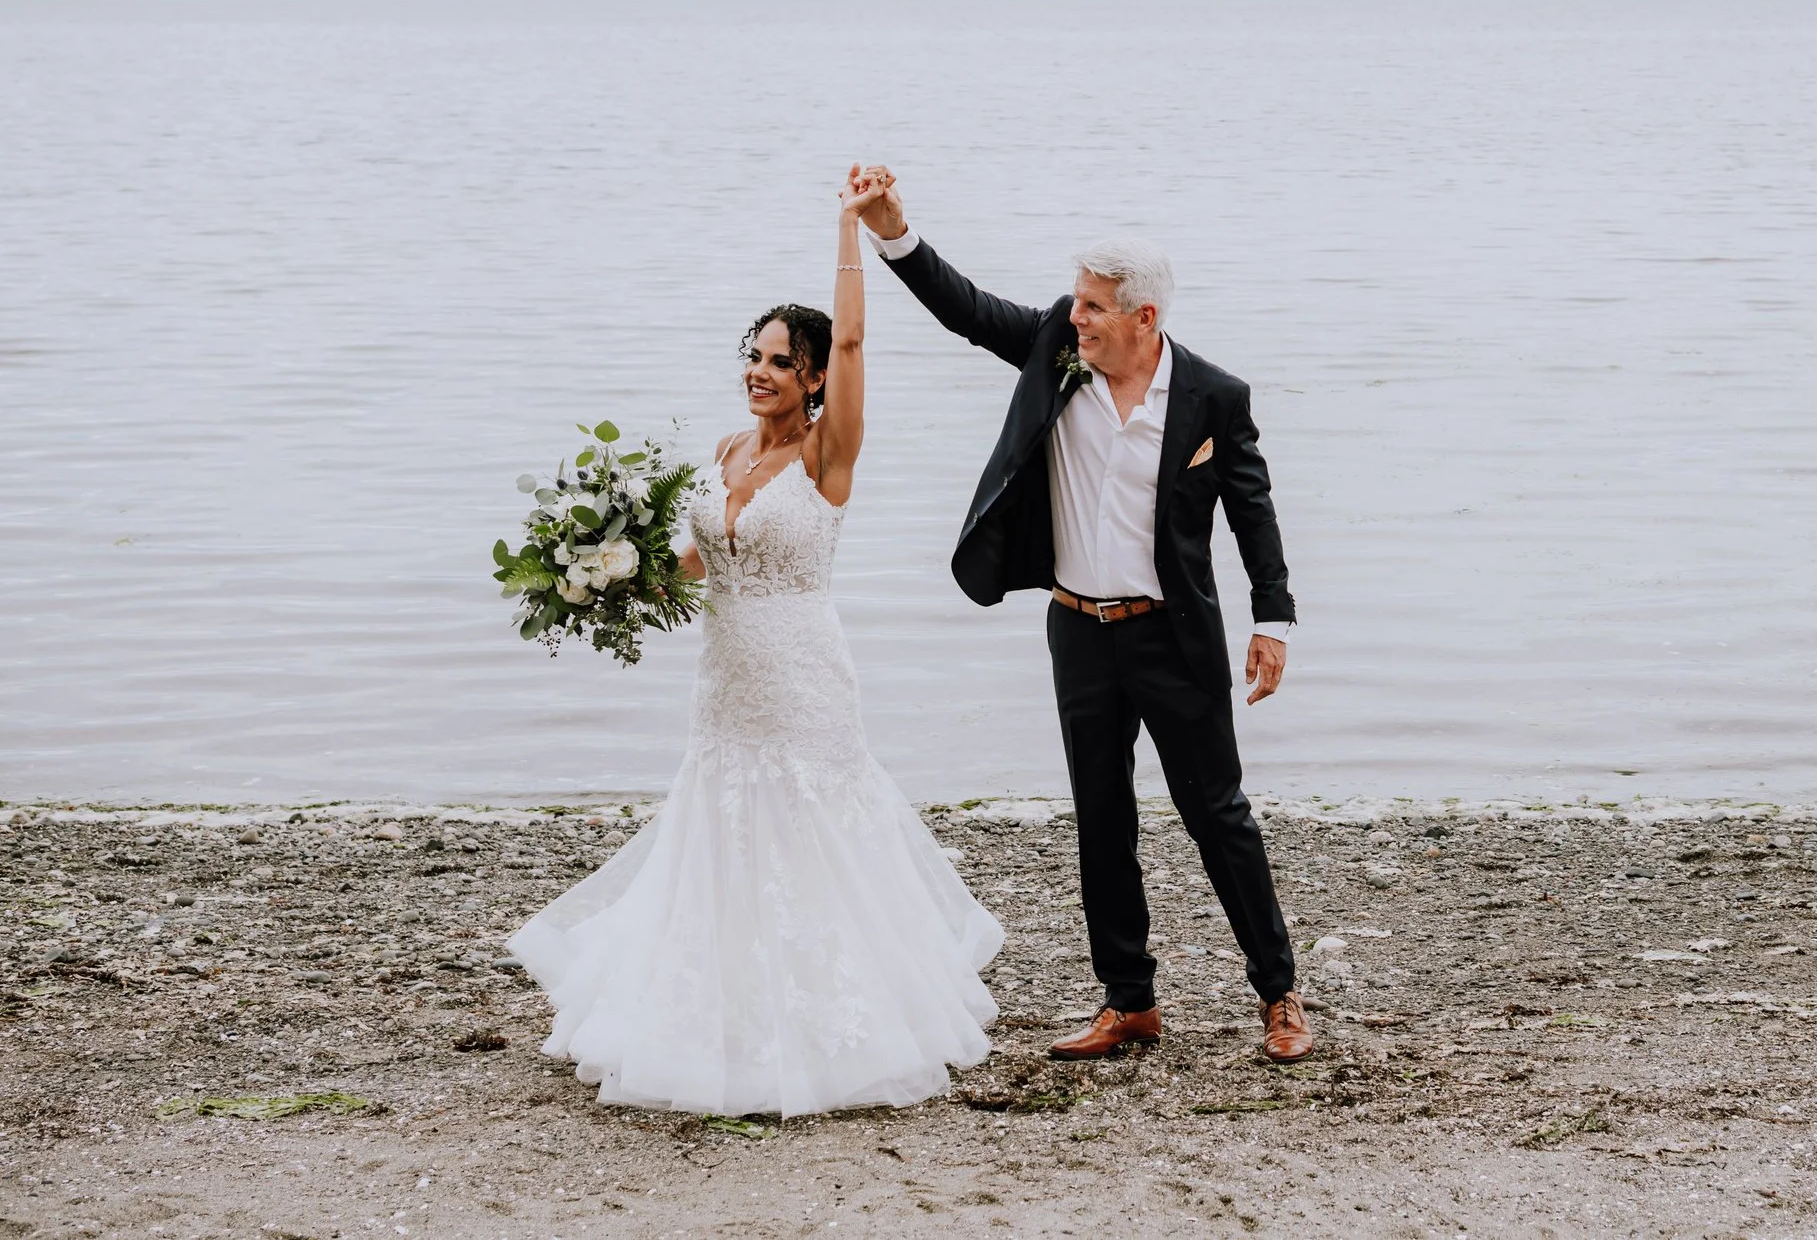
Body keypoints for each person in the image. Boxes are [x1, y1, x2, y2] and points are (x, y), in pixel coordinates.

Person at [508, 167, 1002, 1117]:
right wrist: (611, 577)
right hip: (725, 678)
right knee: (720, 826)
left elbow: (855, 333)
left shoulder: (826, 452)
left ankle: (836, 1025)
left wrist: (850, 228)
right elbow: (700, 559)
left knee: (810, 830)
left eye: (781, 360)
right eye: (754, 355)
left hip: (803, 672)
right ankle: (716, 1019)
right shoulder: (731, 452)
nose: (760, 371)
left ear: (814, 376)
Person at [856, 167, 1313, 1064]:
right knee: (1100, 814)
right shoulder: (1053, 352)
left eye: (1096, 306)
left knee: (1217, 812)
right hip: (1078, 628)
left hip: (1171, 632)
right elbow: (967, 309)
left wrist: (1274, 618)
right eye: (1076, 300)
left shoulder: (1215, 397)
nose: (1077, 316)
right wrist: (893, 229)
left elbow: (1252, 510)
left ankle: (1280, 993)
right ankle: (1127, 1001)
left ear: (1145, 317)